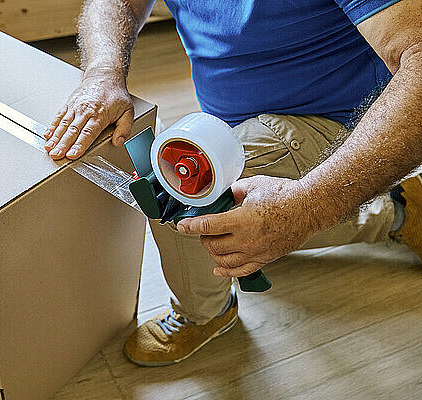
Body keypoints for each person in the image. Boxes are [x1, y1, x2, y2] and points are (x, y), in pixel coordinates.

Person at [45, 0, 422, 366]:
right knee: (238, 229)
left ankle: (206, 314)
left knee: (181, 195)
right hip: (230, 124)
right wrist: (102, 73)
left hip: (342, 124)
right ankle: (398, 206)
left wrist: (309, 205)